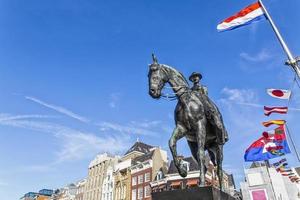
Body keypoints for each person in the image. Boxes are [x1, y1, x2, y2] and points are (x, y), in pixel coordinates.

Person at [189, 72, 228, 144]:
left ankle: (223, 134)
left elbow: (205, 96)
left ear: (199, 78)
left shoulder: (204, 87)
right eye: (193, 77)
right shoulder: (190, 90)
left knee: (217, 118)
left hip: (205, 104)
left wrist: (196, 93)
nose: (195, 78)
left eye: (196, 76)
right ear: (191, 80)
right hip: (196, 107)